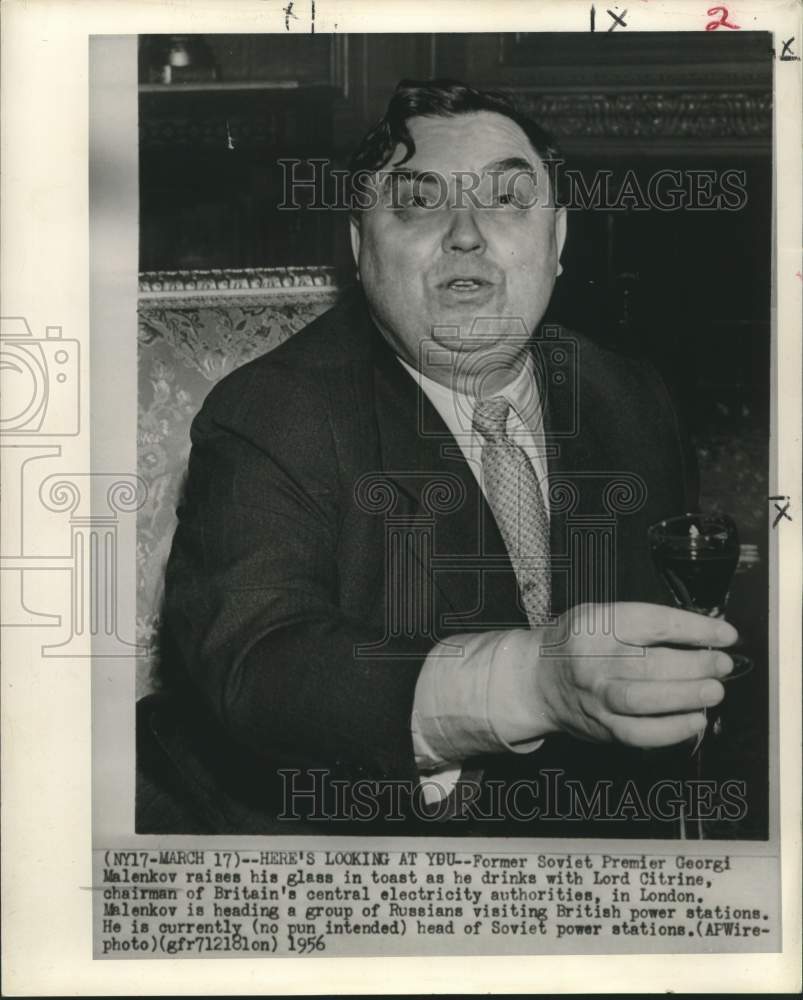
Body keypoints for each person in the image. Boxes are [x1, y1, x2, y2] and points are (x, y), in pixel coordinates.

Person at [137, 79, 737, 835]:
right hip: (311, 849)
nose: (465, 232)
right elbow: (260, 667)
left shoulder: (626, 393)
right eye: (418, 203)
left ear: (556, 243)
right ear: (359, 249)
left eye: (508, 200)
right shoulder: (271, 412)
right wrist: (534, 681)